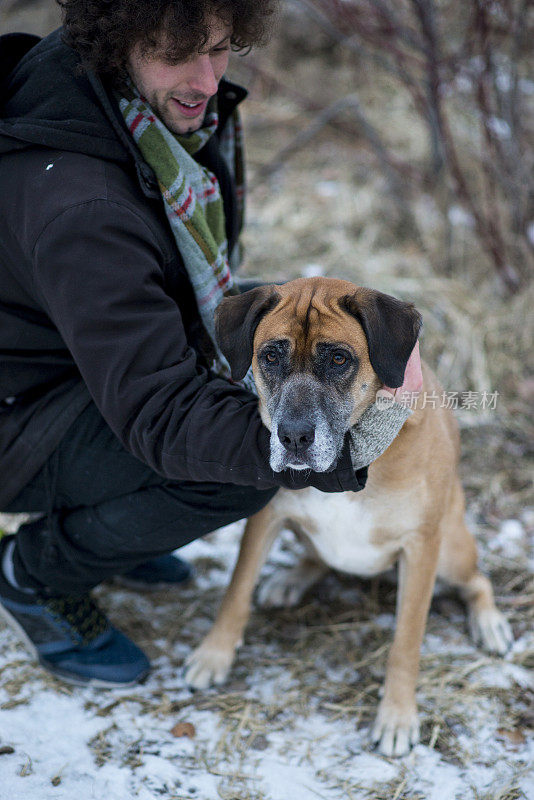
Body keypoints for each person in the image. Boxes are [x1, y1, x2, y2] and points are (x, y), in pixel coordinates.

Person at [0, 0, 421, 687]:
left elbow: (169, 290)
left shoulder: (137, 112)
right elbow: (161, 414)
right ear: (117, 39)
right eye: (175, 53)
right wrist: (352, 441)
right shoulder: (82, 206)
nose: (205, 78)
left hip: (66, 363)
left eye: (221, 47)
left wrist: (381, 339)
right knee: (242, 467)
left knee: (257, 357)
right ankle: (35, 573)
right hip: (20, 414)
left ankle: (115, 525)